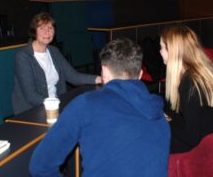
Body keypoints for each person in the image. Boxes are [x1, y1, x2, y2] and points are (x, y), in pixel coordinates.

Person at [29, 38, 170, 177]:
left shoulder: (86, 105)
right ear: (140, 75)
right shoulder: (160, 117)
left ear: (104, 72)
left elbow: (40, 166)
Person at [12, 12, 101, 115]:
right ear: (34, 32)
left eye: (50, 28)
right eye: (42, 28)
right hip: (32, 111)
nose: (47, 32)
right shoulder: (23, 57)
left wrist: (100, 79)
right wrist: (56, 104)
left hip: (56, 104)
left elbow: (73, 77)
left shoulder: (54, 51)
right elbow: (31, 96)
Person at [160, 25, 213, 154]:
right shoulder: (197, 73)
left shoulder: (189, 83)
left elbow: (192, 137)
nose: (160, 51)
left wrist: (166, 119)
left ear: (173, 51)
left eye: (162, 47)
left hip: (200, 151)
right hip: (210, 143)